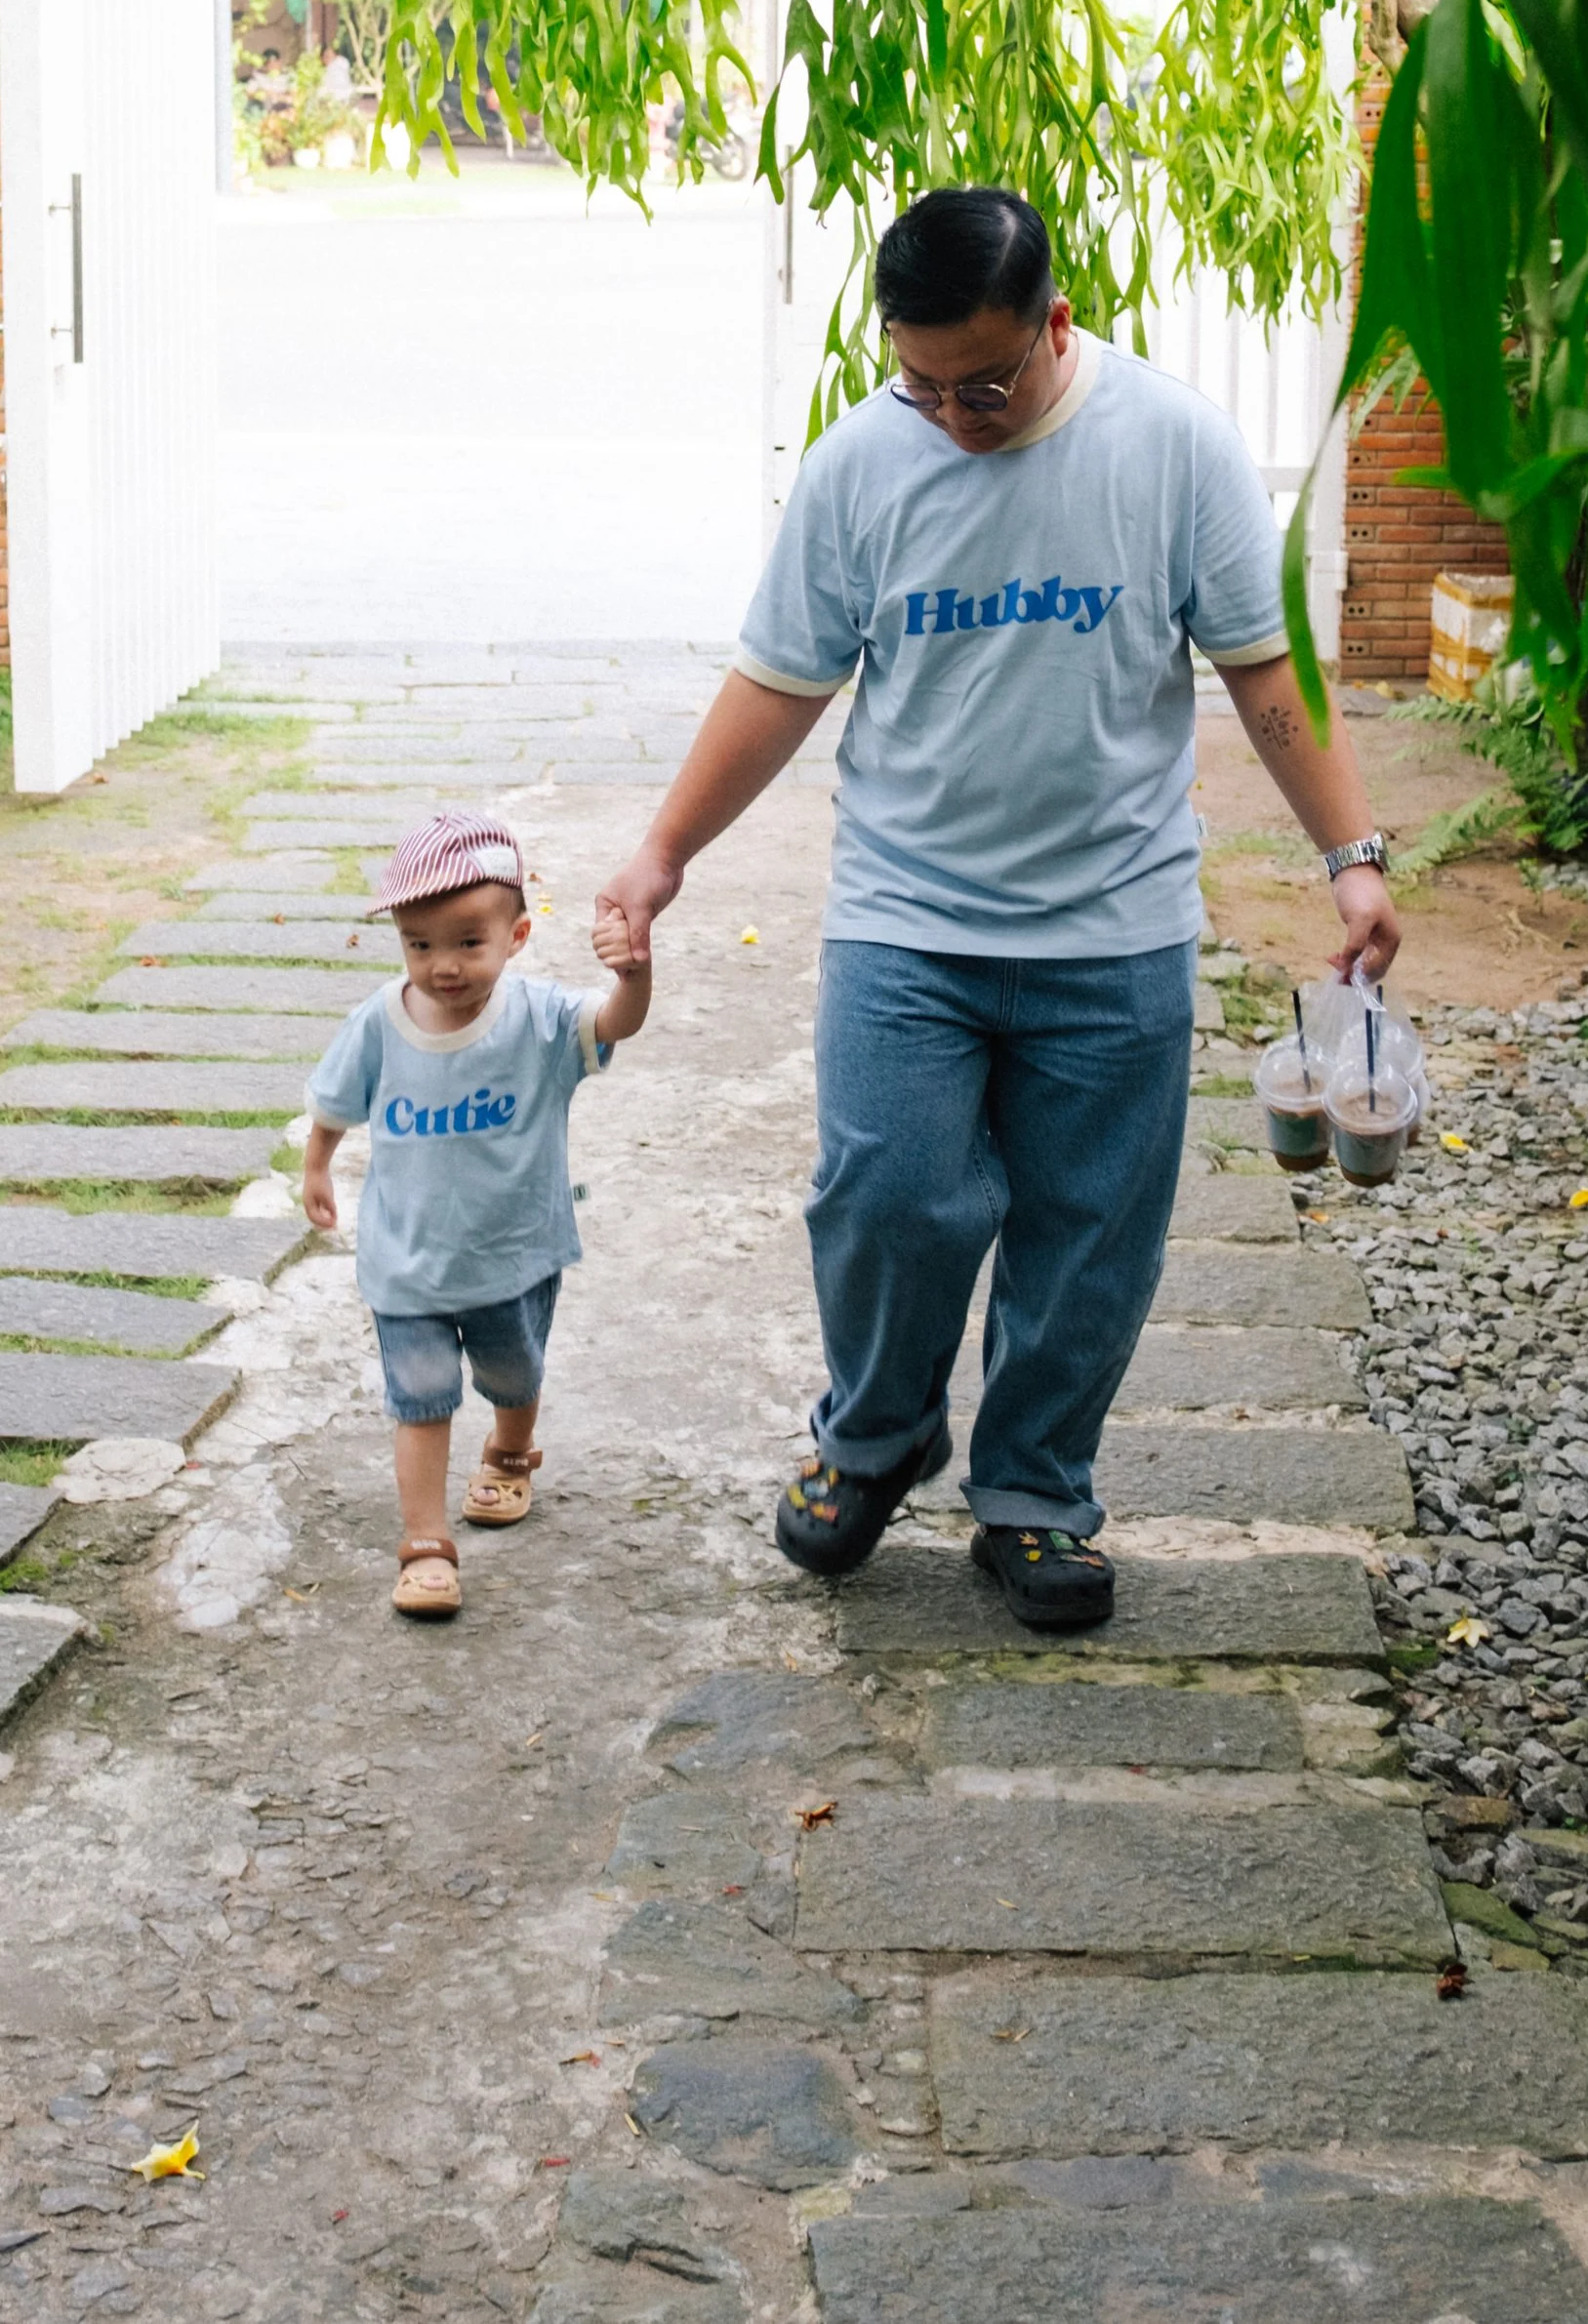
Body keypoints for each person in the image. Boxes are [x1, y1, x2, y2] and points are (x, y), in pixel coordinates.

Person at [594, 184, 1401, 1635]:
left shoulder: (1175, 447)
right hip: (909, 919)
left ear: (1056, 321)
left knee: (1092, 1230)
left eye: (988, 381)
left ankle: (1034, 1491)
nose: (956, 413)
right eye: (924, 383)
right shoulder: (862, 464)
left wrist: (1352, 850)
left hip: (1117, 925)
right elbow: (782, 680)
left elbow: (1264, 671)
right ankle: (880, 1429)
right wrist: (664, 853)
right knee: (887, 1193)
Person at [302, 807, 652, 1620]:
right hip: (408, 1263)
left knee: (513, 1373)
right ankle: (425, 1544)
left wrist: (632, 974)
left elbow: (614, 1024)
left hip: (512, 1254)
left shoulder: (538, 1020)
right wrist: (316, 1165)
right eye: (419, 944)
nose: (443, 966)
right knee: (419, 1397)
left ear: (519, 933)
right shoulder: (381, 1022)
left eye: (467, 942)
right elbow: (332, 1101)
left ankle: (509, 1449)